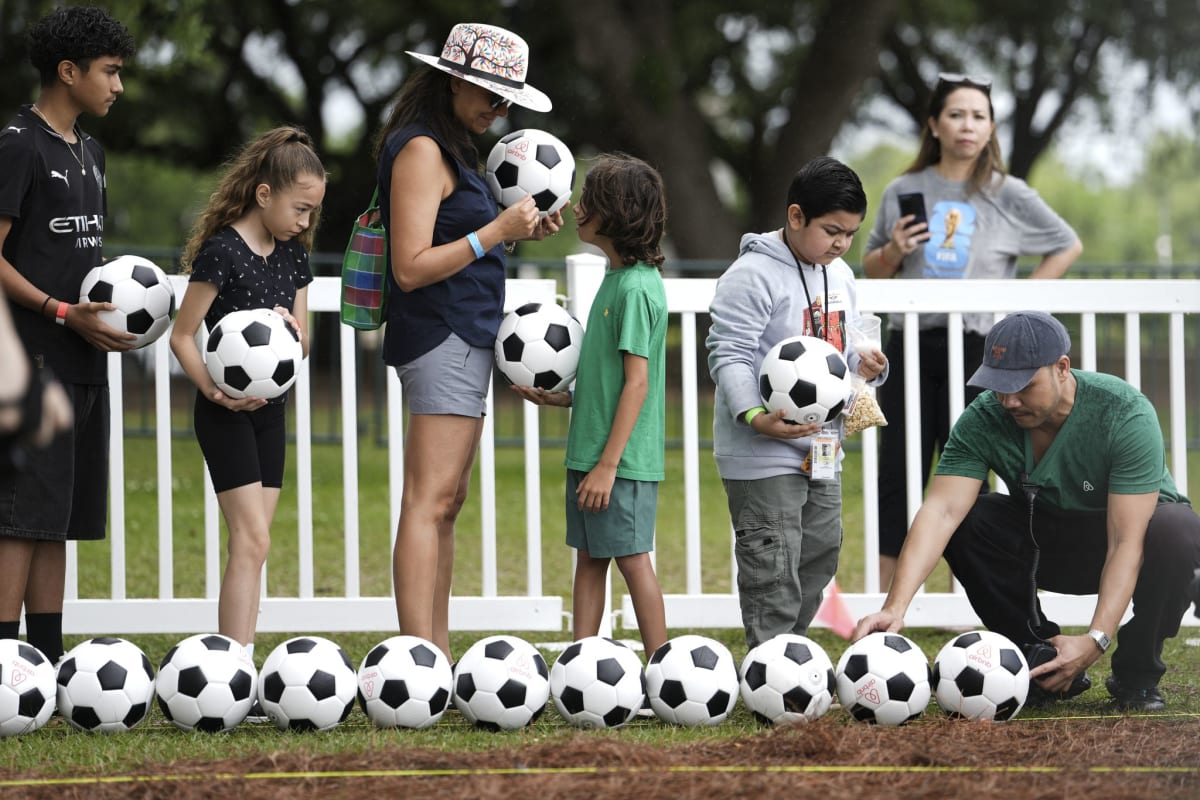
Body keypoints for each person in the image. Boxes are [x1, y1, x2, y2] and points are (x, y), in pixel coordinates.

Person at [852, 311, 1200, 712]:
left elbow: (1126, 541)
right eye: (998, 386)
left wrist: (1096, 638)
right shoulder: (985, 415)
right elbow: (942, 511)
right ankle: (1039, 661)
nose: (1008, 400)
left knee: (1178, 530)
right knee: (969, 520)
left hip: (1126, 545)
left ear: (1062, 368)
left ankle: (1136, 674)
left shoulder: (1123, 412)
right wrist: (895, 607)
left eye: (1022, 386)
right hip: (1043, 543)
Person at [374, 23, 560, 660]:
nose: (497, 109)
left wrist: (513, 235)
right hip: (441, 334)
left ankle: (434, 650)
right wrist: (496, 230)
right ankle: (415, 655)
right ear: (453, 80)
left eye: (506, 100)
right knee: (429, 500)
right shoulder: (421, 150)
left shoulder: (453, 148)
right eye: (489, 94)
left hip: (465, 333)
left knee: (447, 502)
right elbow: (410, 265)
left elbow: (460, 246)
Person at [862, 73, 1083, 591]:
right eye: (956, 114)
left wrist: (1019, 303)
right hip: (909, 346)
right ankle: (885, 594)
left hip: (982, 350)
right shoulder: (903, 189)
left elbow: (1065, 244)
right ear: (934, 124)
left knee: (977, 467)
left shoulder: (1008, 193)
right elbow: (872, 270)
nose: (967, 125)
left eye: (979, 116)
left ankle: (981, 590)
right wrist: (893, 250)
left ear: (991, 128)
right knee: (897, 470)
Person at [706, 156, 888, 649]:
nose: (841, 244)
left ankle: (791, 651)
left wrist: (865, 363)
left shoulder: (840, 276)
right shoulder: (753, 275)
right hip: (762, 449)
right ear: (795, 216)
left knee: (819, 551)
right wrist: (754, 416)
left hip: (823, 447)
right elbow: (729, 351)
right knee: (773, 560)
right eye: (832, 230)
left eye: (850, 234)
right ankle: (771, 662)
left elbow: (843, 348)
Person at [0, 6, 136, 663]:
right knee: (18, 521)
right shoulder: (19, 144)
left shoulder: (92, 151)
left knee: (58, 521)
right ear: (68, 71)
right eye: (109, 73)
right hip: (28, 363)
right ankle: (3, 662)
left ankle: (47, 666)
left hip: (84, 361)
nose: (118, 87)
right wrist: (58, 310)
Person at [170, 127, 322, 671]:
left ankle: (240, 664)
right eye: (300, 209)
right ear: (264, 194)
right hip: (224, 414)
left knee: (255, 547)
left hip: (270, 415)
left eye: (312, 212)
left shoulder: (294, 258)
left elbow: (303, 345)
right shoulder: (222, 253)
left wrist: (291, 333)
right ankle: (231, 670)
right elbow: (182, 335)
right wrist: (212, 389)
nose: (306, 223)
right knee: (251, 539)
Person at [510, 153, 670, 656]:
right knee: (589, 559)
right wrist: (565, 399)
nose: (576, 208)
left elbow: (637, 385)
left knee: (633, 559)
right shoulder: (615, 280)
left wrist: (607, 466)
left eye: (589, 201)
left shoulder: (639, 289)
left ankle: (662, 666)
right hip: (591, 457)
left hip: (618, 465)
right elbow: (608, 381)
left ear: (617, 214)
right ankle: (581, 660)